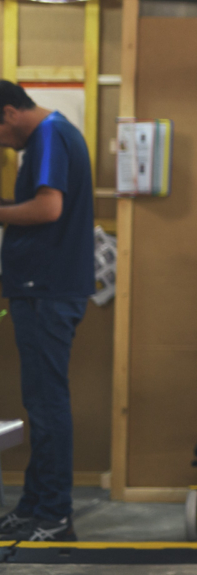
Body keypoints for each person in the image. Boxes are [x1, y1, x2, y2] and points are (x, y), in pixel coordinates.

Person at [0, 82, 94, 543]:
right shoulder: (50, 137)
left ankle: (54, 513)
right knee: (39, 403)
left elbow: (48, 207)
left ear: (11, 112)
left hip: (48, 291)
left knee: (47, 403)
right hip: (40, 289)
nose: (1, 142)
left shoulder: (50, 136)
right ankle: (36, 505)